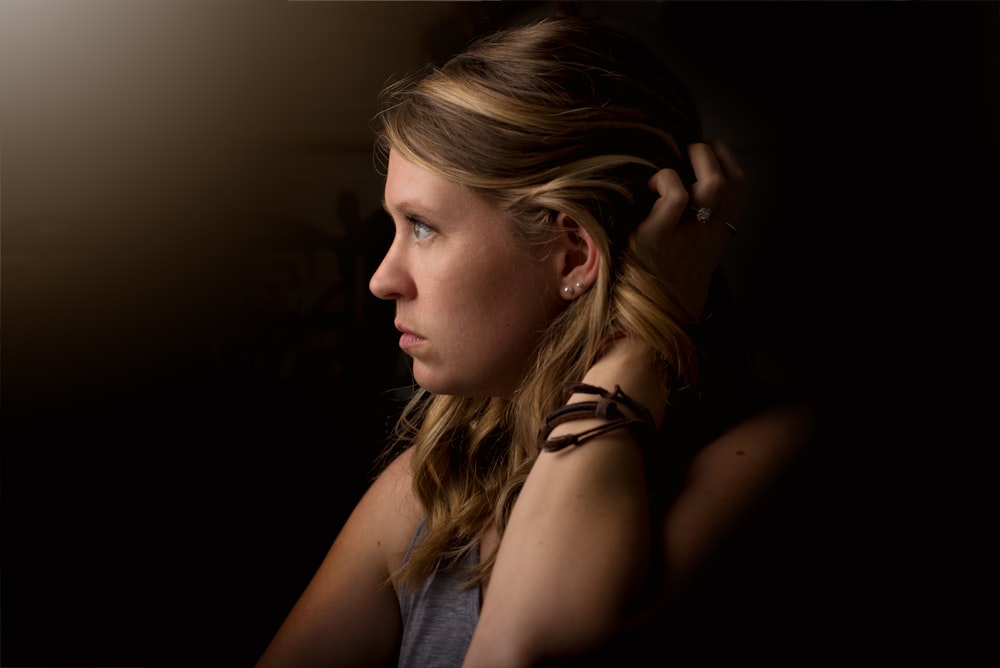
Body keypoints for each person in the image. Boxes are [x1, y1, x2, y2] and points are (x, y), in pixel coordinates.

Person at [257, 13, 824, 668]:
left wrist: (638, 344)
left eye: (422, 227)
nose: (383, 281)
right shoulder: (434, 486)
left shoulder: (773, 458)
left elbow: (520, 651)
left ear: (574, 251)